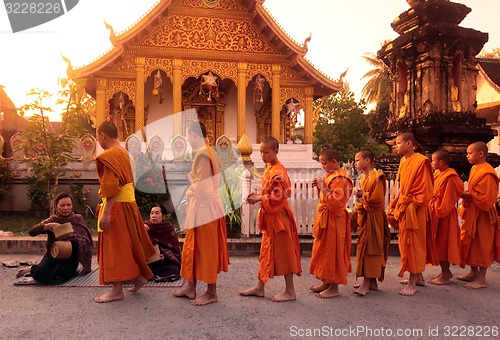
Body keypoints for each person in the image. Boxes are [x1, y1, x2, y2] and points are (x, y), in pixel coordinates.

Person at [95, 121, 156, 303]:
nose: (98, 140)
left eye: (98, 136)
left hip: (117, 206)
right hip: (129, 204)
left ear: (102, 135)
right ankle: (139, 277)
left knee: (117, 247)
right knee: (129, 244)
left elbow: (112, 186)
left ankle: (116, 290)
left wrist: (106, 212)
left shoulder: (110, 156)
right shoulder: (125, 153)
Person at [172, 121, 229, 306]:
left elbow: (203, 188)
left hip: (205, 209)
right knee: (193, 247)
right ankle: (191, 287)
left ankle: (211, 292)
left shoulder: (204, 155)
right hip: (202, 208)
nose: (187, 140)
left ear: (194, 135)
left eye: (188, 136)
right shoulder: (208, 152)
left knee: (207, 249)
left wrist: (190, 183)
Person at [239, 137, 301, 302]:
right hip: (271, 217)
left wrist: (260, 198)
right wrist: (258, 195)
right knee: (266, 252)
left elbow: (281, 194)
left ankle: (290, 291)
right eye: (261, 152)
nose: (263, 155)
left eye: (266, 152)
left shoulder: (279, 171)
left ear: (276, 152)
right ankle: (260, 287)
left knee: (285, 253)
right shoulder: (270, 168)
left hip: (280, 218)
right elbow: (269, 191)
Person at [388, 132, 434, 296]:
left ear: (409, 143)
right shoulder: (403, 160)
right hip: (406, 206)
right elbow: (404, 184)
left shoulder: (422, 161)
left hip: (415, 209)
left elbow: (425, 190)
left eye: (398, 143)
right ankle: (418, 277)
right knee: (405, 241)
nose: (396, 146)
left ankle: (413, 282)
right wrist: (395, 200)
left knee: (413, 243)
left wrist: (411, 207)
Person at [16, 193, 93, 284]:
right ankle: (32, 269)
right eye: (62, 205)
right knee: (40, 275)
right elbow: (31, 232)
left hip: (70, 258)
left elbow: (84, 240)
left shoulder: (77, 219)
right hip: (53, 256)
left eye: (69, 205)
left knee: (63, 276)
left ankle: (43, 270)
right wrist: (49, 226)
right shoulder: (52, 220)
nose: (66, 208)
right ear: (56, 207)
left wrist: (69, 237)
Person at [307, 148, 353, 298]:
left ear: (334, 162)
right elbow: (323, 197)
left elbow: (334, 204)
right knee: (323, 251)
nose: (323, 167)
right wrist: (318, 186)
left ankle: (334, 288)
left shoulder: (341, 178)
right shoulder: (331, 176)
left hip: (334, 220)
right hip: (325, 219)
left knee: (333, 252)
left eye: (324, 163)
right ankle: (326, 281)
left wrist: (323, 187)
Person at [457, 141, 500, 289]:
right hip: (473, 212)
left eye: (470, 153)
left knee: (482, 245)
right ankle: (473, 273)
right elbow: (475, 191)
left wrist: (463, 195)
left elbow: (486, 198)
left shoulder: (487, 172)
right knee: (471, 243)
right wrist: (467, 194)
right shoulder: (475, 168)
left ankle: (481, 279)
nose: (467, 156)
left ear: (481, 154)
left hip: (484, 214)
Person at [353, 149, 390, 296]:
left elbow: (378, 199)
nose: (355, 163)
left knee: (371, 248)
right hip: (366, 217)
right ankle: (372, 282)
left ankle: (367, 283)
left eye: (357, 160)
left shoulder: (377, 176)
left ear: (367, 160)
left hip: (374, 217)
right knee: (364, 246)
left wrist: (362, 194)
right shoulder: (363, 178)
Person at [428, 149, 464, 285]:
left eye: (433, 160)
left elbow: (448, 200)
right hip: (437, 212)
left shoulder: (450, 177)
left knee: (444, 244)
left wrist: (438, 211)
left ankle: (445, 273)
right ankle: (444, 271)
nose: (432, 163)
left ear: (441, 162)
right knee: (437, 244)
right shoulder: (438, 174)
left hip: (445, 215)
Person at [144, 204, 181, 282]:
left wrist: (165, 255)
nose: (153, 216)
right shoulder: (144, 226)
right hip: (147, 260)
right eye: (152, 213)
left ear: (163, 216)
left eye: (157, 213)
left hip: (164, 260)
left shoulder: (168, 227)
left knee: (174, 270)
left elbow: (174, 248)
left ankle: (152, 275)